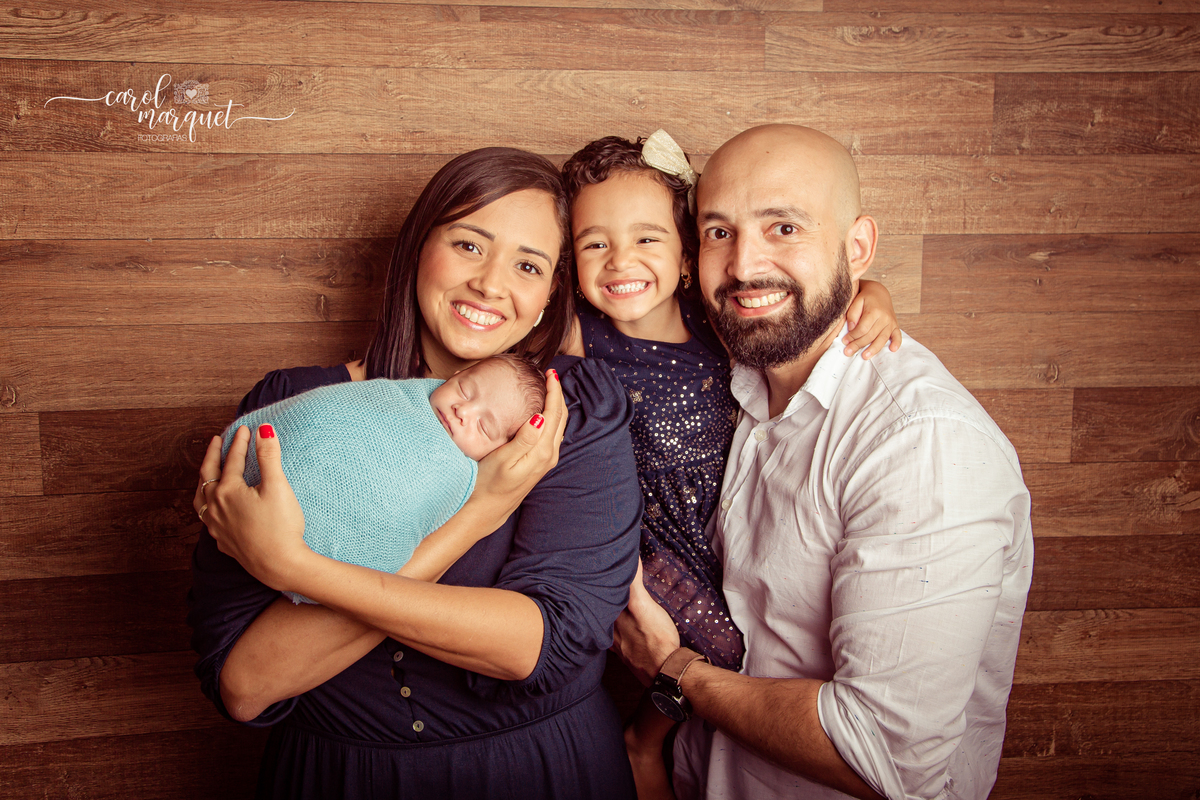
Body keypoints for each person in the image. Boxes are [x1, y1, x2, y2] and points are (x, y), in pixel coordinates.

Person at [188, 147, 643, 799]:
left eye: (528, 265)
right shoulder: (291, 407)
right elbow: (247, 684)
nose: (491, 284)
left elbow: (538, 646)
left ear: (549, 296)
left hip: (543, 771)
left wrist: (293, 568)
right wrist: (476, 515)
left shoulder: (573, 410)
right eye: (468, 245)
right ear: (417, 251)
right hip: (342, 778)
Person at [613, 125, 1035, 800]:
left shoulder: (921, 445)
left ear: (858, 246)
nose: (744, 265)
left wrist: (675, 670)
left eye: (783, 228)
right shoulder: (739, 375)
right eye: (720, 232)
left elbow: (884, 757)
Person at [560, 131, 901, 671]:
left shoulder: (715, 316)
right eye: (594, 244)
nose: (621, 261)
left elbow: (809, 291)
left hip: (730, 517)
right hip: (648, 538)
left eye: (646, 239)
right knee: (713, 652)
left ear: (687, 254)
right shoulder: (577, 334)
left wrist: (872, 293)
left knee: (754, 636)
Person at [216, 353, 546, 605]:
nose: (463, 411)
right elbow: (328, 416)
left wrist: (292, 564)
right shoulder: (392, 395)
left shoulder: (456, 476)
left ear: (502, 452)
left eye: (484, 426)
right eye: (464, 390)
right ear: (456, 375)